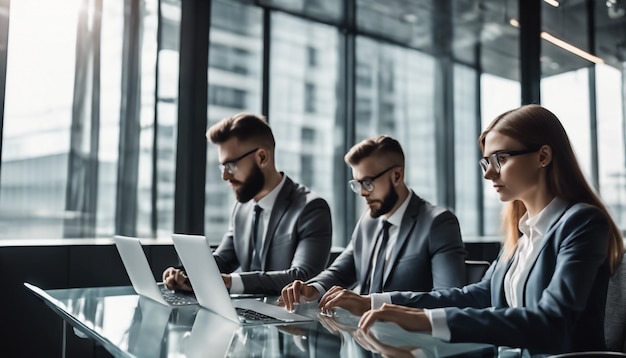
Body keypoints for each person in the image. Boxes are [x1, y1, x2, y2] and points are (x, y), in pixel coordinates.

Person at [325, 104, 624, 355]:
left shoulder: (582, 223)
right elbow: (476, 295)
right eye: (486, 163)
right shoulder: (523, 233)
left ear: (543, 157)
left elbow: (552, 321)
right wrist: (374, 301)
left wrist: (427, 321)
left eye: (501, 159)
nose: (489, 173)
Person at [280, 135, 466, 313]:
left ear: (397, 176)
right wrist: (313, 288)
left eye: (367, 183)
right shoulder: (368, 221)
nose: (362, 192)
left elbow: (447, 298)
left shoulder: (438, 224)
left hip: (412, 341)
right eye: (357, 184)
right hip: (365, 337)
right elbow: (340, 272)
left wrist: (375, 304)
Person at [162, 113, 332, 295]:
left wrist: (229, 282)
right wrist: (182, 274)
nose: (225, 177)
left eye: (231, 166)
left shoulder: (311, 209)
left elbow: (302, 277)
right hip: (248, 316)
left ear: (262, 158)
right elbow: (223, 259)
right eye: (223, 167)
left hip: (292, 319)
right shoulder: (242, 209)